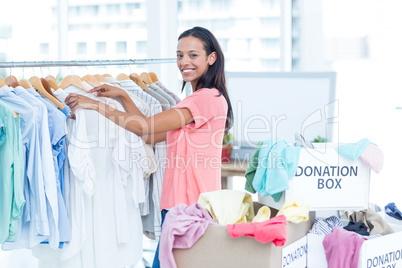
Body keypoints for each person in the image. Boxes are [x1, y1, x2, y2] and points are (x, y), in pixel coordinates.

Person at [65, 26, 233, 267]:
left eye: (193, 55)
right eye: (179, 55)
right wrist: (122, 96)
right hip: (181, 210)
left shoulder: (205, 99)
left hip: (189, 211)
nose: (184, 61)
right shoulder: (200, 100)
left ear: (211, 58)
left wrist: (95, 105)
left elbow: (143, 127)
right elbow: (150, 135)